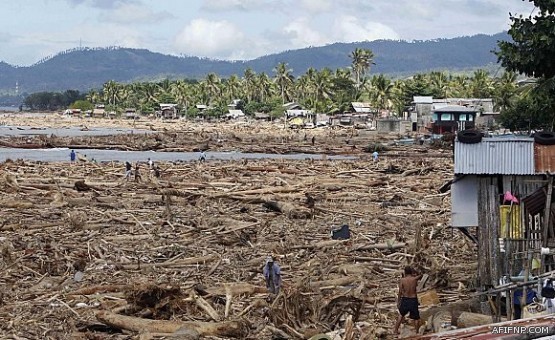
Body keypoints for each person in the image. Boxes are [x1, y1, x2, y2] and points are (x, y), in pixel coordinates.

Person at [394, 266, 423, 335]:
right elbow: (421, 275)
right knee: (416, 317)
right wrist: (414, 271)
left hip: (405, 299)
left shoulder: (402, 280)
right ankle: (416, 332)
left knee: (401, 315)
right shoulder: (414, 279)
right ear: (411, 272)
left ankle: (395, 331)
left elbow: (400, 292)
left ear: (405, 272)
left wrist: (398, 301)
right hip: (413, 299)